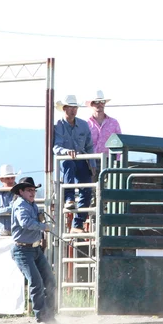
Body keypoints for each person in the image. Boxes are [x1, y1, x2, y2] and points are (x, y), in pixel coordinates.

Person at [10, 177, 56, 324]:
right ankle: (41, 318)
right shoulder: (21, 205)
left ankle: (49, 316)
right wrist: (44, 227)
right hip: (23, 250)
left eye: (34, 190)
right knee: (36, 282)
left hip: (34, 248)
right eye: (29, 190)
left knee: (49, 280)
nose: (33, 192)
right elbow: (25, 223)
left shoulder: (30, 204)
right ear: (21, 191)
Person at [53, 95, 94, 233]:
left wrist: (92, 164)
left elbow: (89, 146)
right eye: (70, 107)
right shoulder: (58, 125)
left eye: (75, 107)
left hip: (81, 159)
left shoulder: (83, 124)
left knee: (87, 189)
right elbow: (56, 147)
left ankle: (78, 223)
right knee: (68, 163)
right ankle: (69, 198)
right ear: (64, 108)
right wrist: (66, 151)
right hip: (67, 160)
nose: (73, 110)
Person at [86, 90, 122, 180]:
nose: (100, 104)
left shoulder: (114, 123)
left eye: (102, 101)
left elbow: (120, 143)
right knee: (91, 188)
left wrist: (116, 162)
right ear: (91, 104)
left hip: (109, 160)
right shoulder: (85, 124)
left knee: (109, 187)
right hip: (90, 160)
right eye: (96, 102)